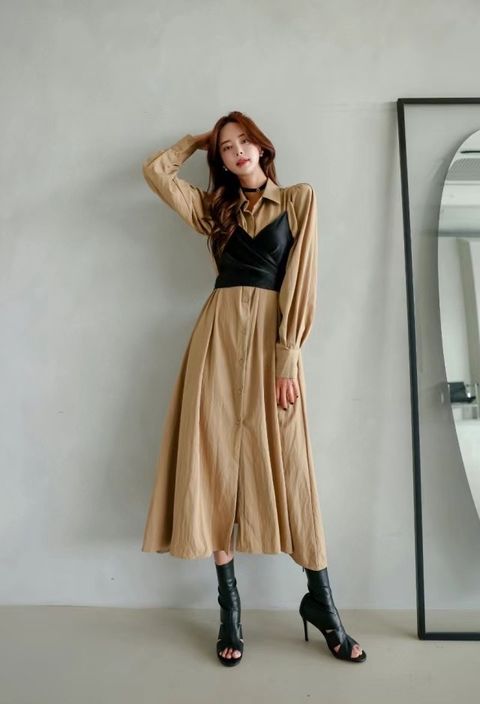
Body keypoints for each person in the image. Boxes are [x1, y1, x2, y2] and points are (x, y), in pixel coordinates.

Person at [140, 111, 366, 666]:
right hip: (215, 340)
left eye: (244, 141)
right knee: (214, 459)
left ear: (263, 148)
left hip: (272, 346)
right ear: (219, 159)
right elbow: (155, 172)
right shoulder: (213, 211)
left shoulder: (297, 200)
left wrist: (288, 356)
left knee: (291, 465)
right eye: (226, 147)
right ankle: (230, 611)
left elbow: (302, 277)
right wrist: (196, 141)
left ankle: (322, 603)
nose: (238, 151)